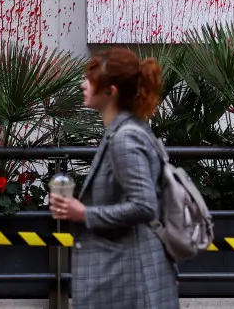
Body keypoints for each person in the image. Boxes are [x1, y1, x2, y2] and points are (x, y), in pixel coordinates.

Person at [49, 48, 180, 309]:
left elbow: (144, 206)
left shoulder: (125, 139)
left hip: (130, 280)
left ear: (111, 91)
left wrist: (83, 213)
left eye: (91, 78)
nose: (83, 83)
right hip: (131, 275)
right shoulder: (129, 130)